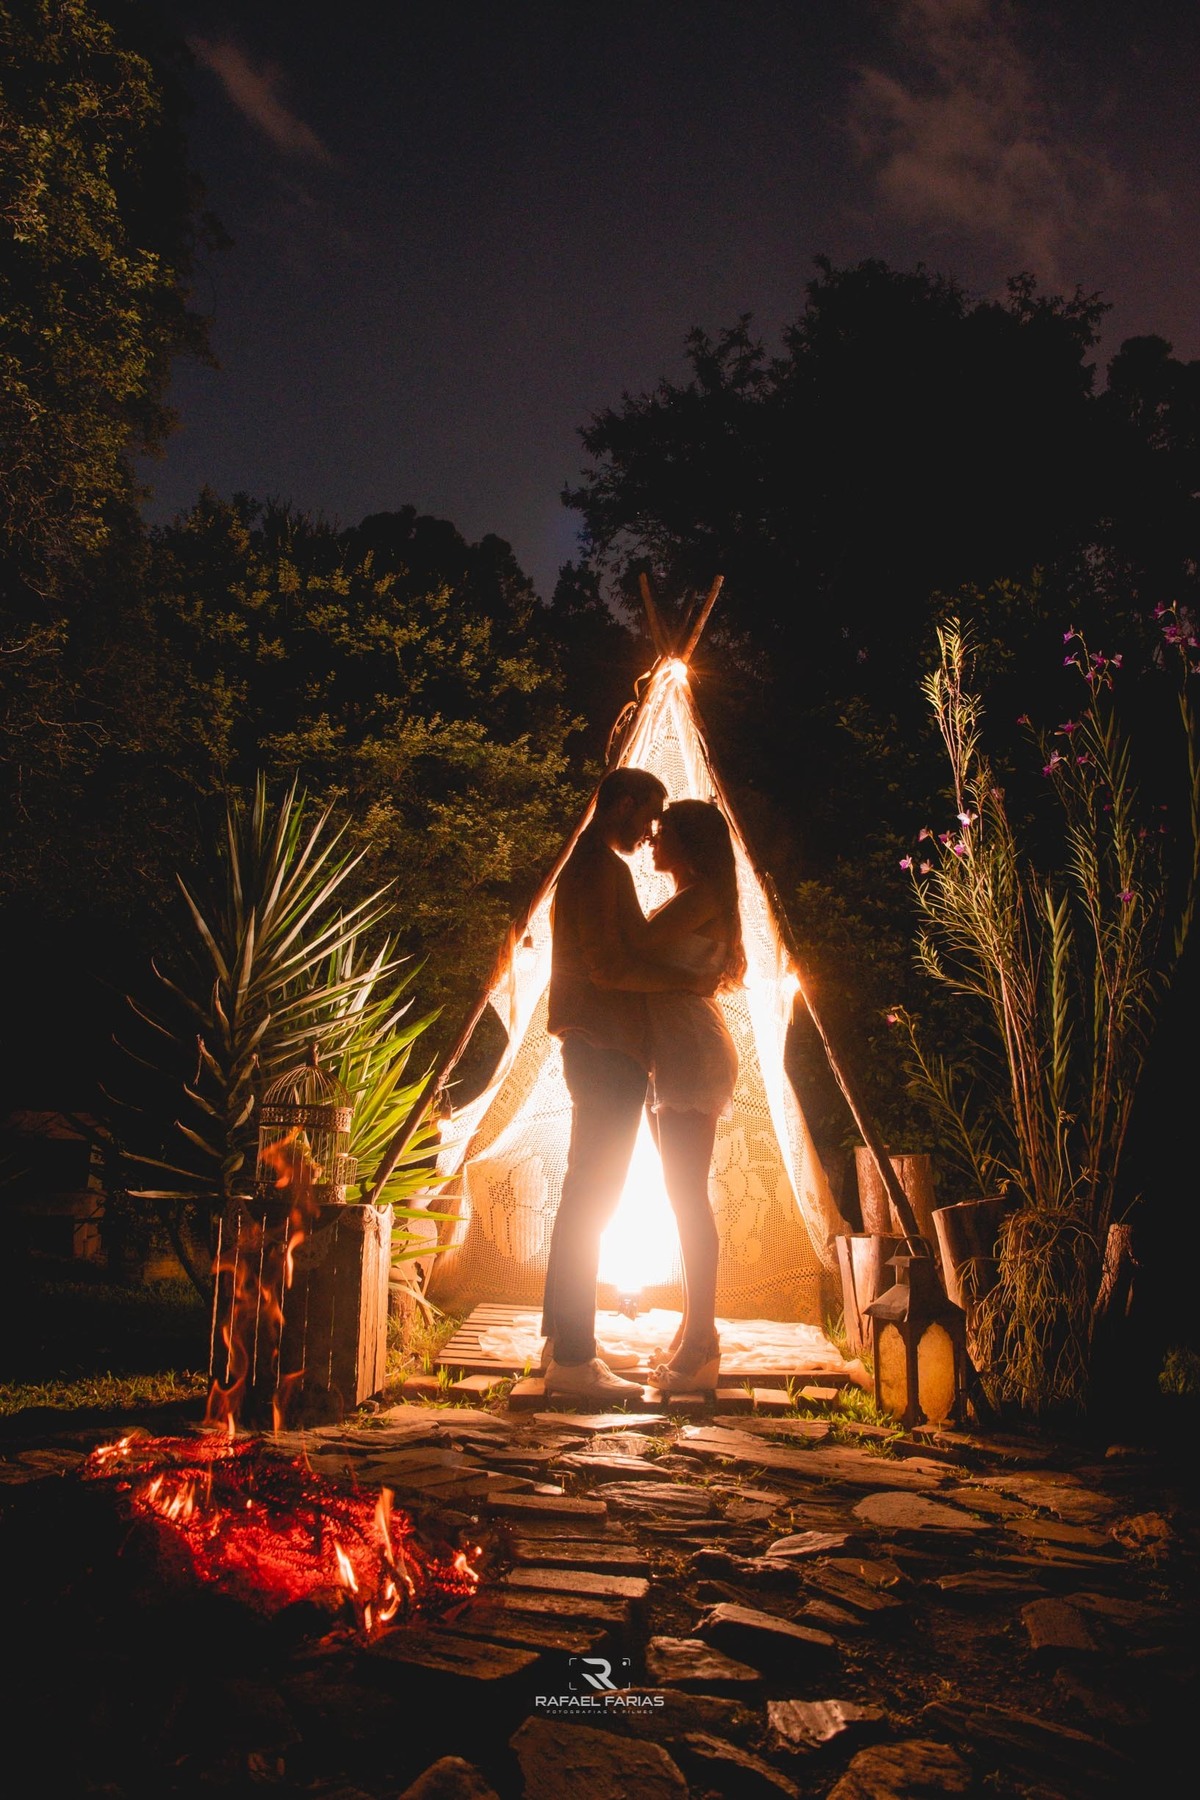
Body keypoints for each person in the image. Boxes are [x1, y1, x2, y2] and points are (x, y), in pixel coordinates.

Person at [541, 766, 712, 1403]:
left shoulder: (591, 866)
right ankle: (574, 1360)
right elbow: (608, 967)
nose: (648, 833)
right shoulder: (597, 868)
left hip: (601, 1046)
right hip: (605, 1046)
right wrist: (678, 983)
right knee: (594, 1198)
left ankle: (563, 1340)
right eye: (647, 815)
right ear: (622, 803)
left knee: (584, 1192)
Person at [638, 799, 744, 1395]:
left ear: (690, 842)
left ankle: (703, 1341)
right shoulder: (690, 897)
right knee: (680, 1196)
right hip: (674, 1053)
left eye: (664, 832)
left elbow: (634, 946)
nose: (653, 842)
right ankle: (692, 1330)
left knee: (687, 1198)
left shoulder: (701, 895)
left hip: (693, 1051)